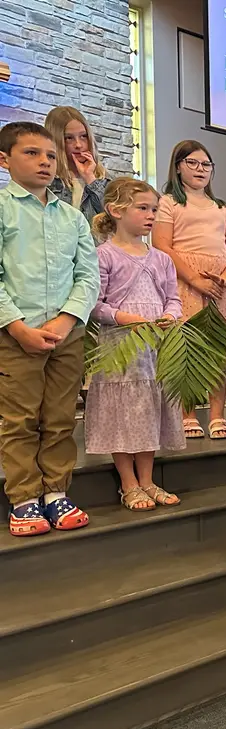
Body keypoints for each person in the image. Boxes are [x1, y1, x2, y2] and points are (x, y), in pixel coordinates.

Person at [0, 121, 99, 536]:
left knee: (59, 417)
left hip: (66, 331)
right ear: (4, 160)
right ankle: (24, 497)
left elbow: (88, 276)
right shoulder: (4, 208)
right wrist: (18, 326)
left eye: (50, 156)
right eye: (31, 153)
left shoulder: (73, 218)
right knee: (19, 418)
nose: (44, 162)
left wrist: (66, 319)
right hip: (14, 331)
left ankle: (56, 492)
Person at [86, 177, 185, 511]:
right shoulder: (103, 255)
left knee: (148, 411)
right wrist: (123, 318)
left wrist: (170, 316)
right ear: (115, 210)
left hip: (155, 347)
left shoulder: (161, 259)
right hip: (121, 349)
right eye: (142, 208)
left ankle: (148, 479)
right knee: (123, 412)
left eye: (154, 209)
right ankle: (128, 483)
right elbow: (94, 304)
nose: (150, 215)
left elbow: (173, 298)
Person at [152, 140, 226, 441]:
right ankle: (188, 413)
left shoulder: (223, 207)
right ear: (178, 166)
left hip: (221, 283)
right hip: (184, 280)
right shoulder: (168, 202)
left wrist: (225, 276)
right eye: (192, 163)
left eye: (206, 164)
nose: (200, 170)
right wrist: (194, 278)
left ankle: (217, 415)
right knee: (188, 348)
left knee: (218, 346)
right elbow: (162, 245)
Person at [44, 106, 110, 224]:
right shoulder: (46, 181)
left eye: (83, 136)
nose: (78, 145)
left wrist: (90, 179)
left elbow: (115, 219)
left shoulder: (106, 180)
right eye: (69, 138)